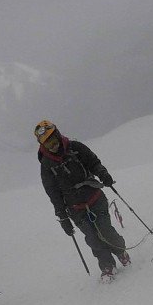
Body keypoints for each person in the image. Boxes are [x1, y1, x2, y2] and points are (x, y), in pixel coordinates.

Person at [35, 120, 130, 283]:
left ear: (57, 134)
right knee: (93, 238)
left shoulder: (75, 148)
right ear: (42, 144)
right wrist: (63, 217)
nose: (52, 145)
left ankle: (121, 251)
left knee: (105, 230)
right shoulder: (46, 165)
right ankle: (107, 266)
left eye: (53, 139)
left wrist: (103, 174)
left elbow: (93, 162)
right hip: (75, 208)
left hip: (95, 198)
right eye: (47, 143)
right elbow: (53, 193)